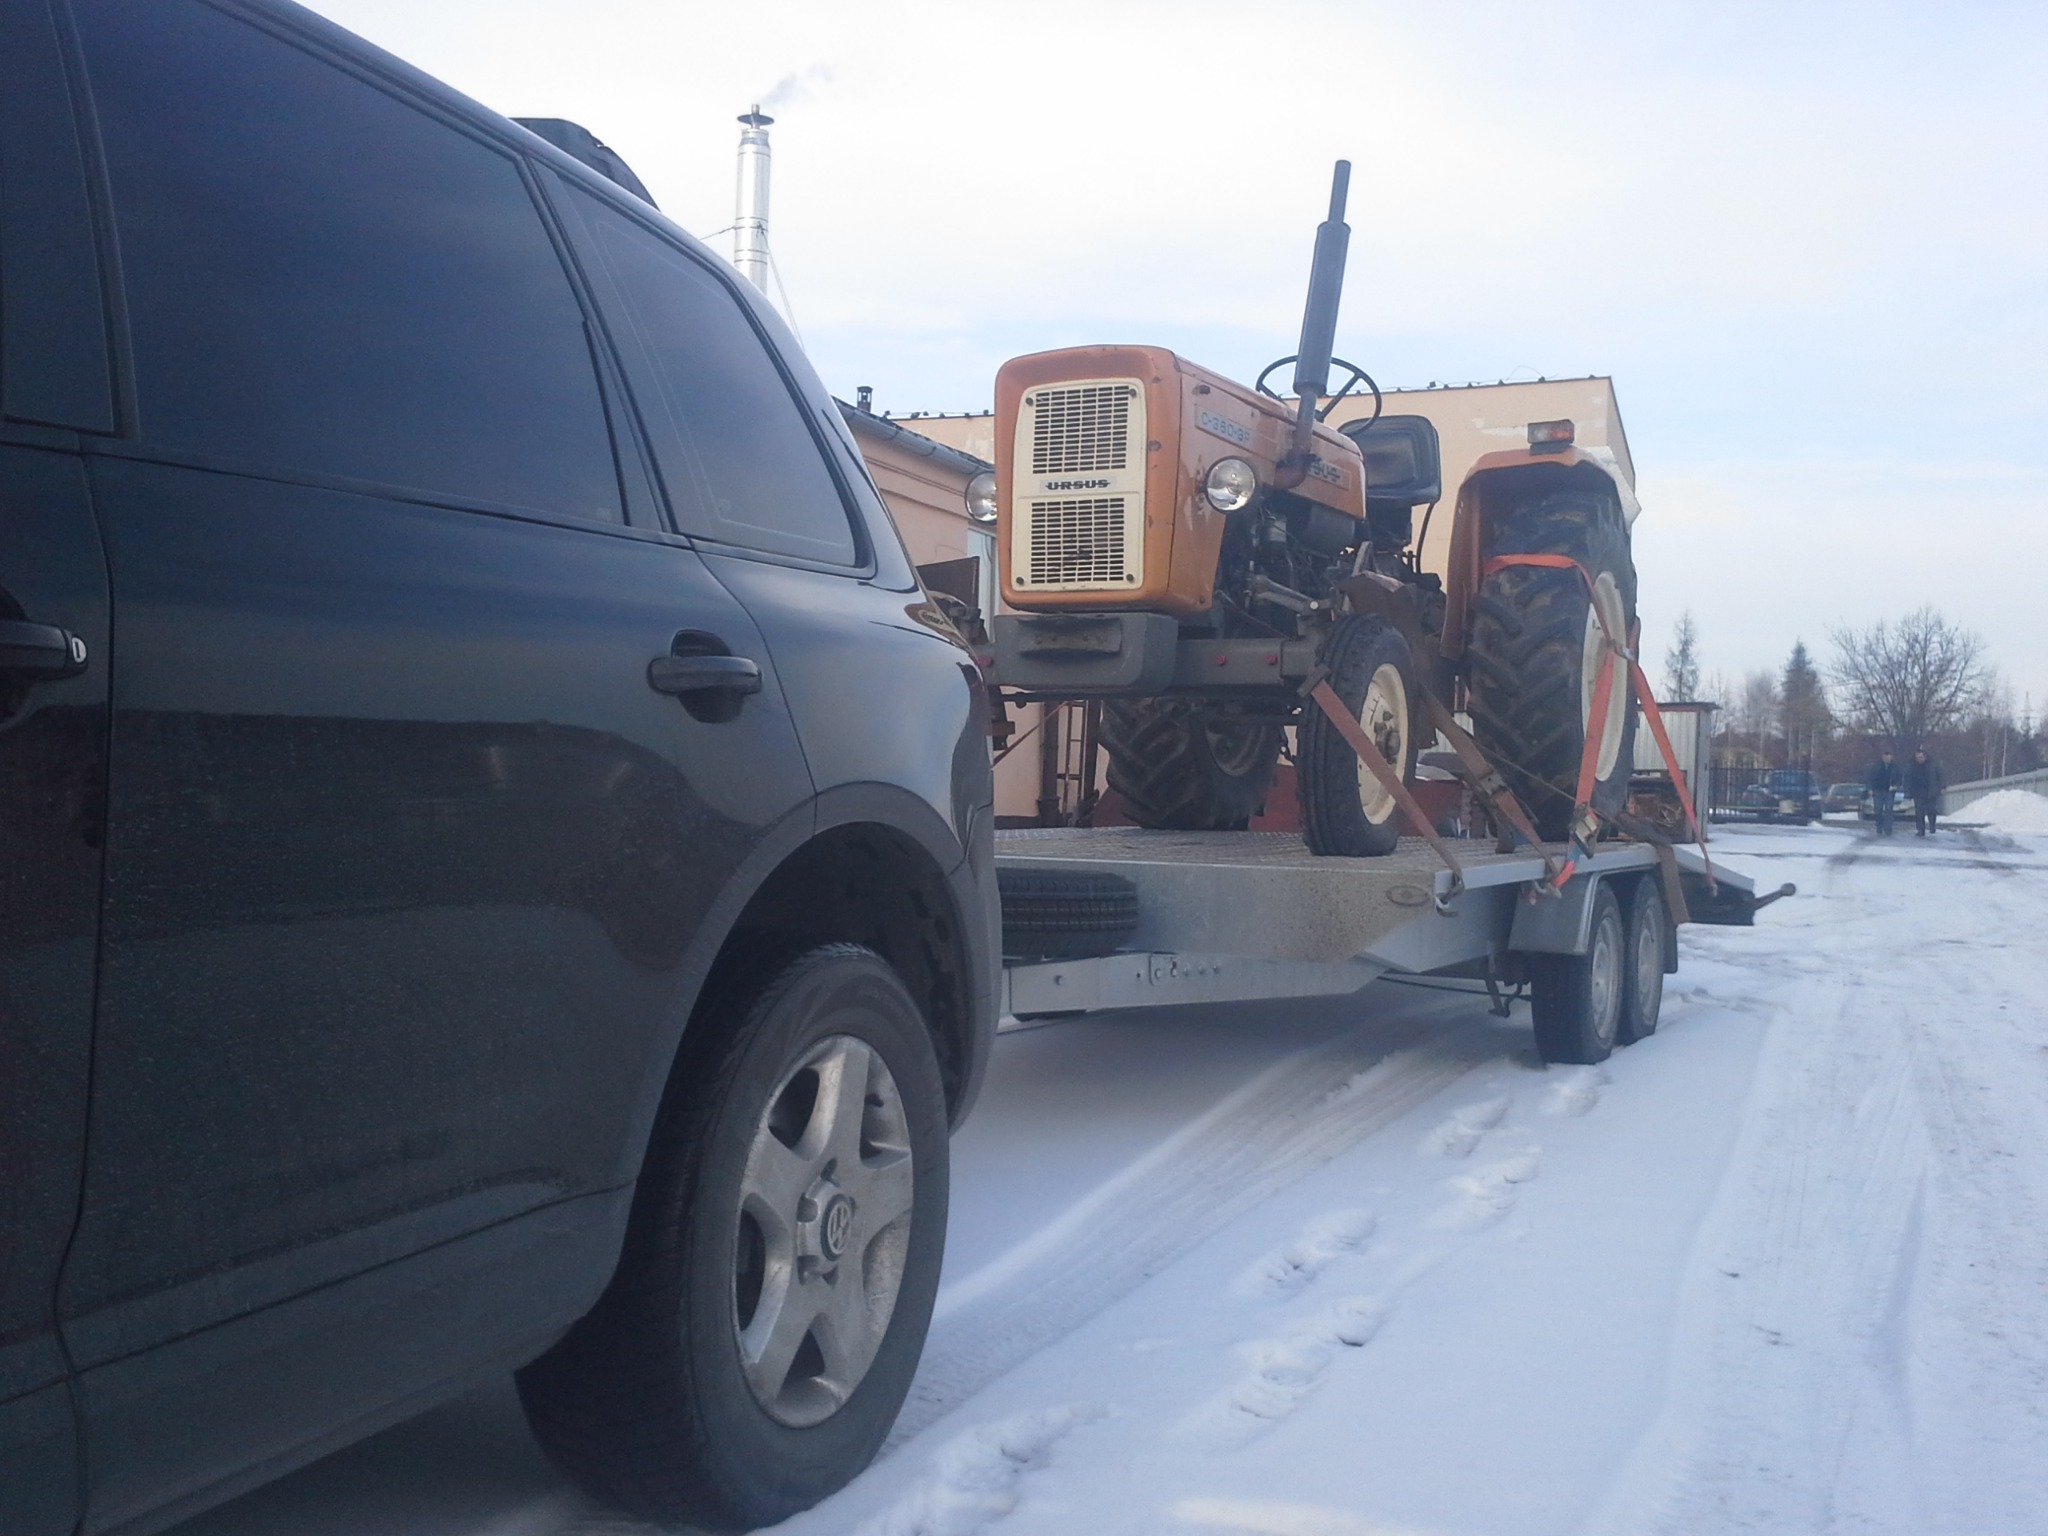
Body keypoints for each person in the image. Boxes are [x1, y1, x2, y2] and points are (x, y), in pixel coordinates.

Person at [1907, 746, 1944, 836]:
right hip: (1918, 792)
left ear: (1925, 756)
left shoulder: (1932, 765)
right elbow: (1908, 779)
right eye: (1917, 757)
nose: (1919, 759)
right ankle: (1920, 830)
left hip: (1930, 791)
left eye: (1920, 757)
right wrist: (1908, 791)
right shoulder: (1912, 766)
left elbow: (1940, 776)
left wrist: (1942, 787)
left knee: (1931, 810)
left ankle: (1932, 825)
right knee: (1919, 812)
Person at [1866, 747, 1898, 836]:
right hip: (1877, 791)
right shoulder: (1876, 767)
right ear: (1882, 757)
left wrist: (1895, 786)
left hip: (1889, 791)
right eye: (1885, 757)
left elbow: (1899, 778)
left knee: (1889, 810)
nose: (1887, 759)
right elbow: (1870, 778)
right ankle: (1879, 826)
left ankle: (1888, 828)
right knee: (1878, 810)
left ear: (1891, 757)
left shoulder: (1895, 767)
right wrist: (1870, 789)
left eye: (1888, 757)